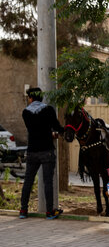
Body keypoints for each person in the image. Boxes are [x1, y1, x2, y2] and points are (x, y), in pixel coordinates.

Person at [19, 87, 64, 219]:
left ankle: (23, 211)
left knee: (28, 181)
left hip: (32, 151)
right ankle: (50, 212)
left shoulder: (25, 113)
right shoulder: (48, 110)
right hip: (46, 151)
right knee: (47, 182)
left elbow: (34, 129)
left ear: (31, 98)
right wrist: (60, 131)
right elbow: (57, 127)